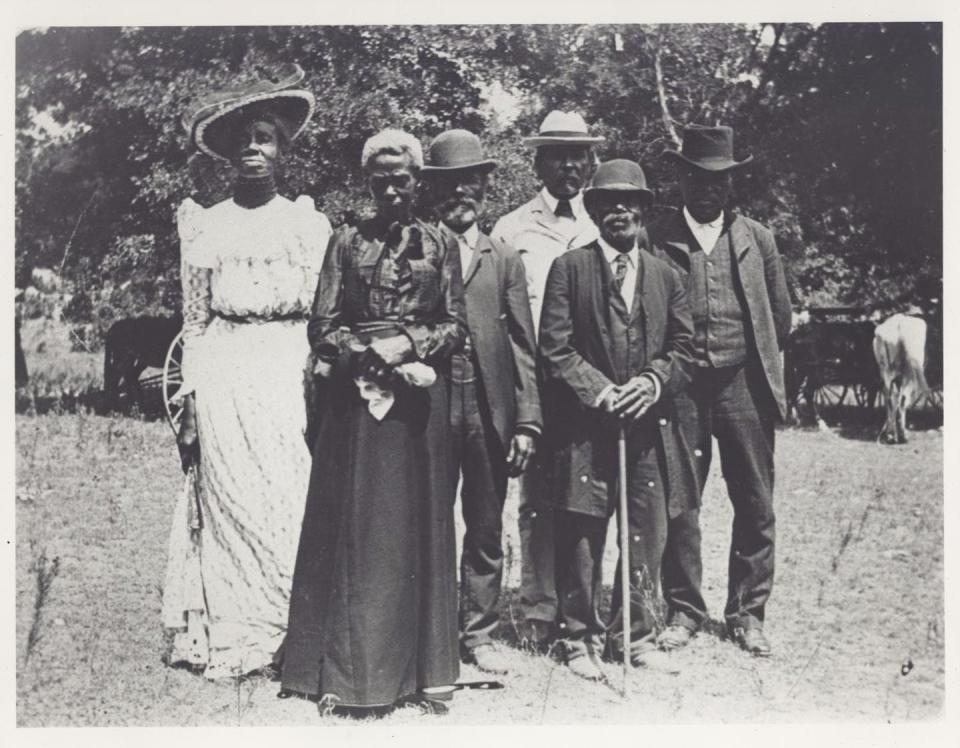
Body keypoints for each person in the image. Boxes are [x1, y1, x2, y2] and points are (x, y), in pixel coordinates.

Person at [280, 129, 468, 715]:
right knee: (355, 529)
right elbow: (322, 325)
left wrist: (409, 344)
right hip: (354, 409)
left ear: (418, 182)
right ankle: (346, 675)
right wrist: (369, 356)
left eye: (402, 178)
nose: (392, 187)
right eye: (380, 178)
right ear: (368, 182)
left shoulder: (441, 244)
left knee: (414, 529)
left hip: (417, 411)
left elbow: (456, 325)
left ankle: (417, 675)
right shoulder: (344, 241)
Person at [162, 65, 333, 679]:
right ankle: (236, 634)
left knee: (285, 495)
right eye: (244, 141)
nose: (253, 150)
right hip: (227, 370)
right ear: (229, 157)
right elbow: (197, 320)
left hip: (288, 370)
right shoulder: (206, 225)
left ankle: (290, 630)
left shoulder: (307, 225)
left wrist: (320, 381)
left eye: (265, 138)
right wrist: (192, 398)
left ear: (284, 150)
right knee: (231, 498)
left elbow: (323, 317)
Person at [538, 159, 695, 680]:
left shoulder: (666, 275)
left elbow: (684, 348)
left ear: (645, 210)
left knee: (646, 531)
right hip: (586, 427)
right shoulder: (571, 268)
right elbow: (554, 350)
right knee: (583, 530)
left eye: (630, 202)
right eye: (608, 202)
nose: (619, 211)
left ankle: (636, 634)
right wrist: (602, 392)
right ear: (594, 210)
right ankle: (576, 637)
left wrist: (651, 383)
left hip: (648, 428)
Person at [648, 124, 792, 657]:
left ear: (731, 184)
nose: (709, 188)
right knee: (680, 503)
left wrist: (753, 366)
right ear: (681, 178)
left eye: (720, 179)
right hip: (680, 388)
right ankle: (683, 609)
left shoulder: (758, 239)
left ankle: (748, 614)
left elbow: (780, 316)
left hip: (743, 386)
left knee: (754, 500)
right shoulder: (655, 237)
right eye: (698, 177)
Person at [421, 130, 542, 675]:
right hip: (430, 406)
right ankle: (430, 628)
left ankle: (480, 631)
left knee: (486, 524)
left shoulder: (506, 257)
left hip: (490, 408)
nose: (460, 194)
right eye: (449, 185)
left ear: (485, 188)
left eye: (470, 183)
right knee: (429, 518)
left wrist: (527, 422)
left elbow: (523, 344)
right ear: (434, 191)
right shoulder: (416, 248)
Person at [490, 110, 602, 647]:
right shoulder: (511, 229)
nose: (568, 166)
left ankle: (583, 607)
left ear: (590, 161)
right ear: (538, 160)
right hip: (533, 383)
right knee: (535, 498)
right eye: (557, 154)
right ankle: (537, 609)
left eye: (578, 155)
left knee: (584, 499)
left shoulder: (604, 223)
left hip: (589, 386)